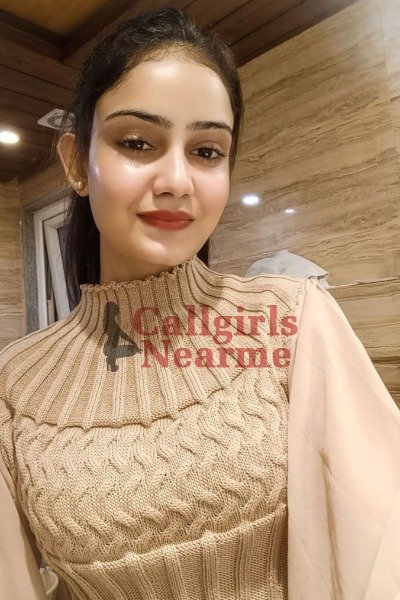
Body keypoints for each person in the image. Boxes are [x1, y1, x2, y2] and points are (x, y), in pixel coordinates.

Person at [0, 7, 399, 600]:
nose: (177, 181)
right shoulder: (15, 385)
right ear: (75, 162)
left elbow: (380, 545)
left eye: (207, 151)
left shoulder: (290, 320)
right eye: (137, 142)